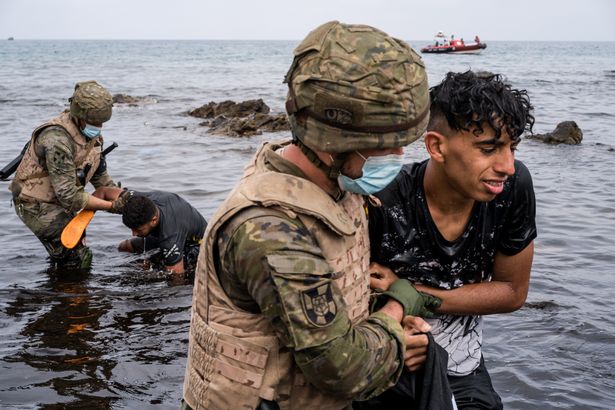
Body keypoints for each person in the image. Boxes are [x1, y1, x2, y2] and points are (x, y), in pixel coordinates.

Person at [181, 20, 440, 410]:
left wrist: (375, 314)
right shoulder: (269, 231)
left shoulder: (336, 183)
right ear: (333, 143)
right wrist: (395, 311)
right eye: (384, 148)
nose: (398, 159)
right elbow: (342, 369)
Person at [367, 70, 536, 409]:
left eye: (512, 148)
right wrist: (393, 337)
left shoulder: (511, 190)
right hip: (385, 365)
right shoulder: (382, 200)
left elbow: (512, 292)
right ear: (436, 146)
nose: (508, 166)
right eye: (489, 149)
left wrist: (416, 294)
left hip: (464, 367)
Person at [9, 81, 122, 269]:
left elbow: (101, 178)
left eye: (101, 123)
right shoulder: (56, 140)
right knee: (75, 258)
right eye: (94, 122)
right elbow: (70, 196)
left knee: (77, 240)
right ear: (79, 116)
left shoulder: (91, 136)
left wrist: (125, 197)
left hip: (62, 198)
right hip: (35, 203)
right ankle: (68, 294)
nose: (98, 127)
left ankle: (58, 278)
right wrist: (113, 206)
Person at [93, 187, 208, 274]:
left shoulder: (170, 238)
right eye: (131, 229)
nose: (134, 234)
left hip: (198, 244)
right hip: (165, 230)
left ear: (153, 220)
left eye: (138, 229)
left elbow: (177, 279)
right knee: (125, 246)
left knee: (166, 270)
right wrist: (80, 226)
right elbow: (102, 192)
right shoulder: (135, 200)